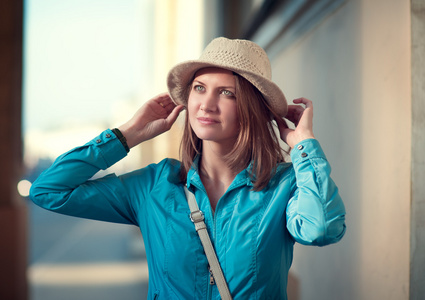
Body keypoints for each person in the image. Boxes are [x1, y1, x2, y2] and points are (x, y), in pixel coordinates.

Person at [30, 37, 346, 299]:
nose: (206, 104)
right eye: (199, 88)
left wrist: (303, 145)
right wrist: (127, 134)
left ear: (251, 109)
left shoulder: (284, 185)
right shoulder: (154, 186)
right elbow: (48, 191)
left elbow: (321, 230)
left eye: (227, 93)